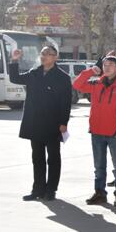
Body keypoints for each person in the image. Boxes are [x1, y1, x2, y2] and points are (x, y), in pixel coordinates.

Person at [9, 46, 72, 201]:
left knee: (53, 158)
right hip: (35, 122)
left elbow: (66, 102)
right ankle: (37, 189)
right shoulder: (34, 73)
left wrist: (64, 122)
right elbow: (15, 78)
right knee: (37, 158)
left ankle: (51, 190)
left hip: (53, 123)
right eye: (42, 53)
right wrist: (14, 61)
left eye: (48, 54)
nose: (44, 56)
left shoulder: (62, 77)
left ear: (55, 57)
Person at [73, 56, 116, 207]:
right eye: (105, 65)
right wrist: (91, 71)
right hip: (97, 132)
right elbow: (77, 84)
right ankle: (100, 193)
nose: (107, 67)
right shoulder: (96, 83)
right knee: (99, 167)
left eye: (111, 65)